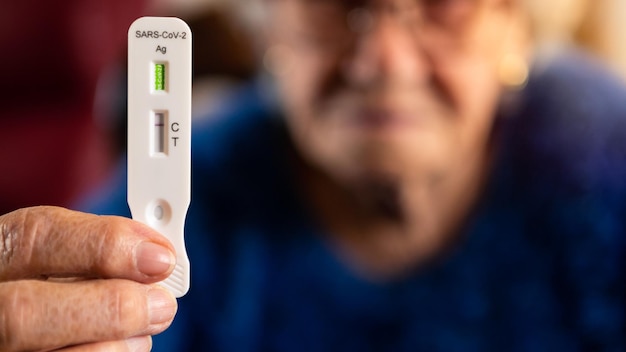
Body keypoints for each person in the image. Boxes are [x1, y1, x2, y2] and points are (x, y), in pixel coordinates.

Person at [1, 0, 625, 351]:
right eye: (338, 2)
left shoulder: (600, 153)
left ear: (514, 27)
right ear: (269, 26)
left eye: (441, 6)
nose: (384, 60)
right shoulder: (192, 193)